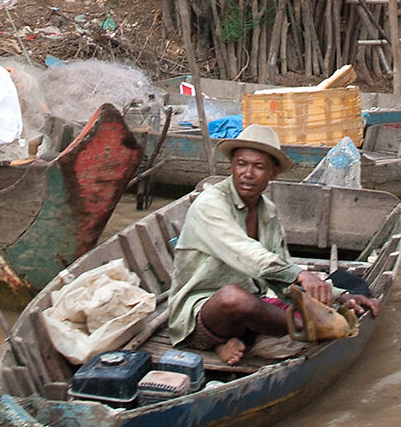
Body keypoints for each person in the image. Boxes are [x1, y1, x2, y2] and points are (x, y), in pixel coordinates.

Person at [160, 124, 380, 365]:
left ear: (273, 172)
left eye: (258, 166)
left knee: (336, 288)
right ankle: (305, 326)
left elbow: (282, 275)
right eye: (241, 164)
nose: (247, 173)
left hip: (250, 309)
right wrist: (302, 277)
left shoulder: (268, 212)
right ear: (232, 165)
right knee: (233, 298)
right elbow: (246, 254)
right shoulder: (210, 204)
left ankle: (233, 342)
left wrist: (340, 296)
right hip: (199, 317)